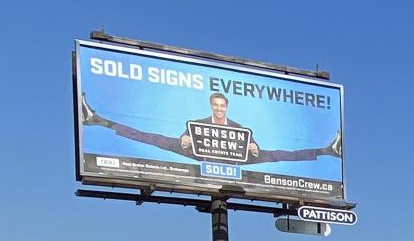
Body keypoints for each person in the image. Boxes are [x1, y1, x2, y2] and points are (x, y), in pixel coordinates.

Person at [80, 92, 341, 164]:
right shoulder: (198, 125)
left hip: (235, 165)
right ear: (211, 106)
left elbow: (254, 146)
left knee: (278, 154)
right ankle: (98, 120)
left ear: (226, 107)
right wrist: (184, 141)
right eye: (215, 105)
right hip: (198, 155)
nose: (218, 109)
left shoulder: (240, 128)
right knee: (153, 138)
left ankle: (327, 150)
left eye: (221, 106)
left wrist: (254, 148)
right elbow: (184, 137)